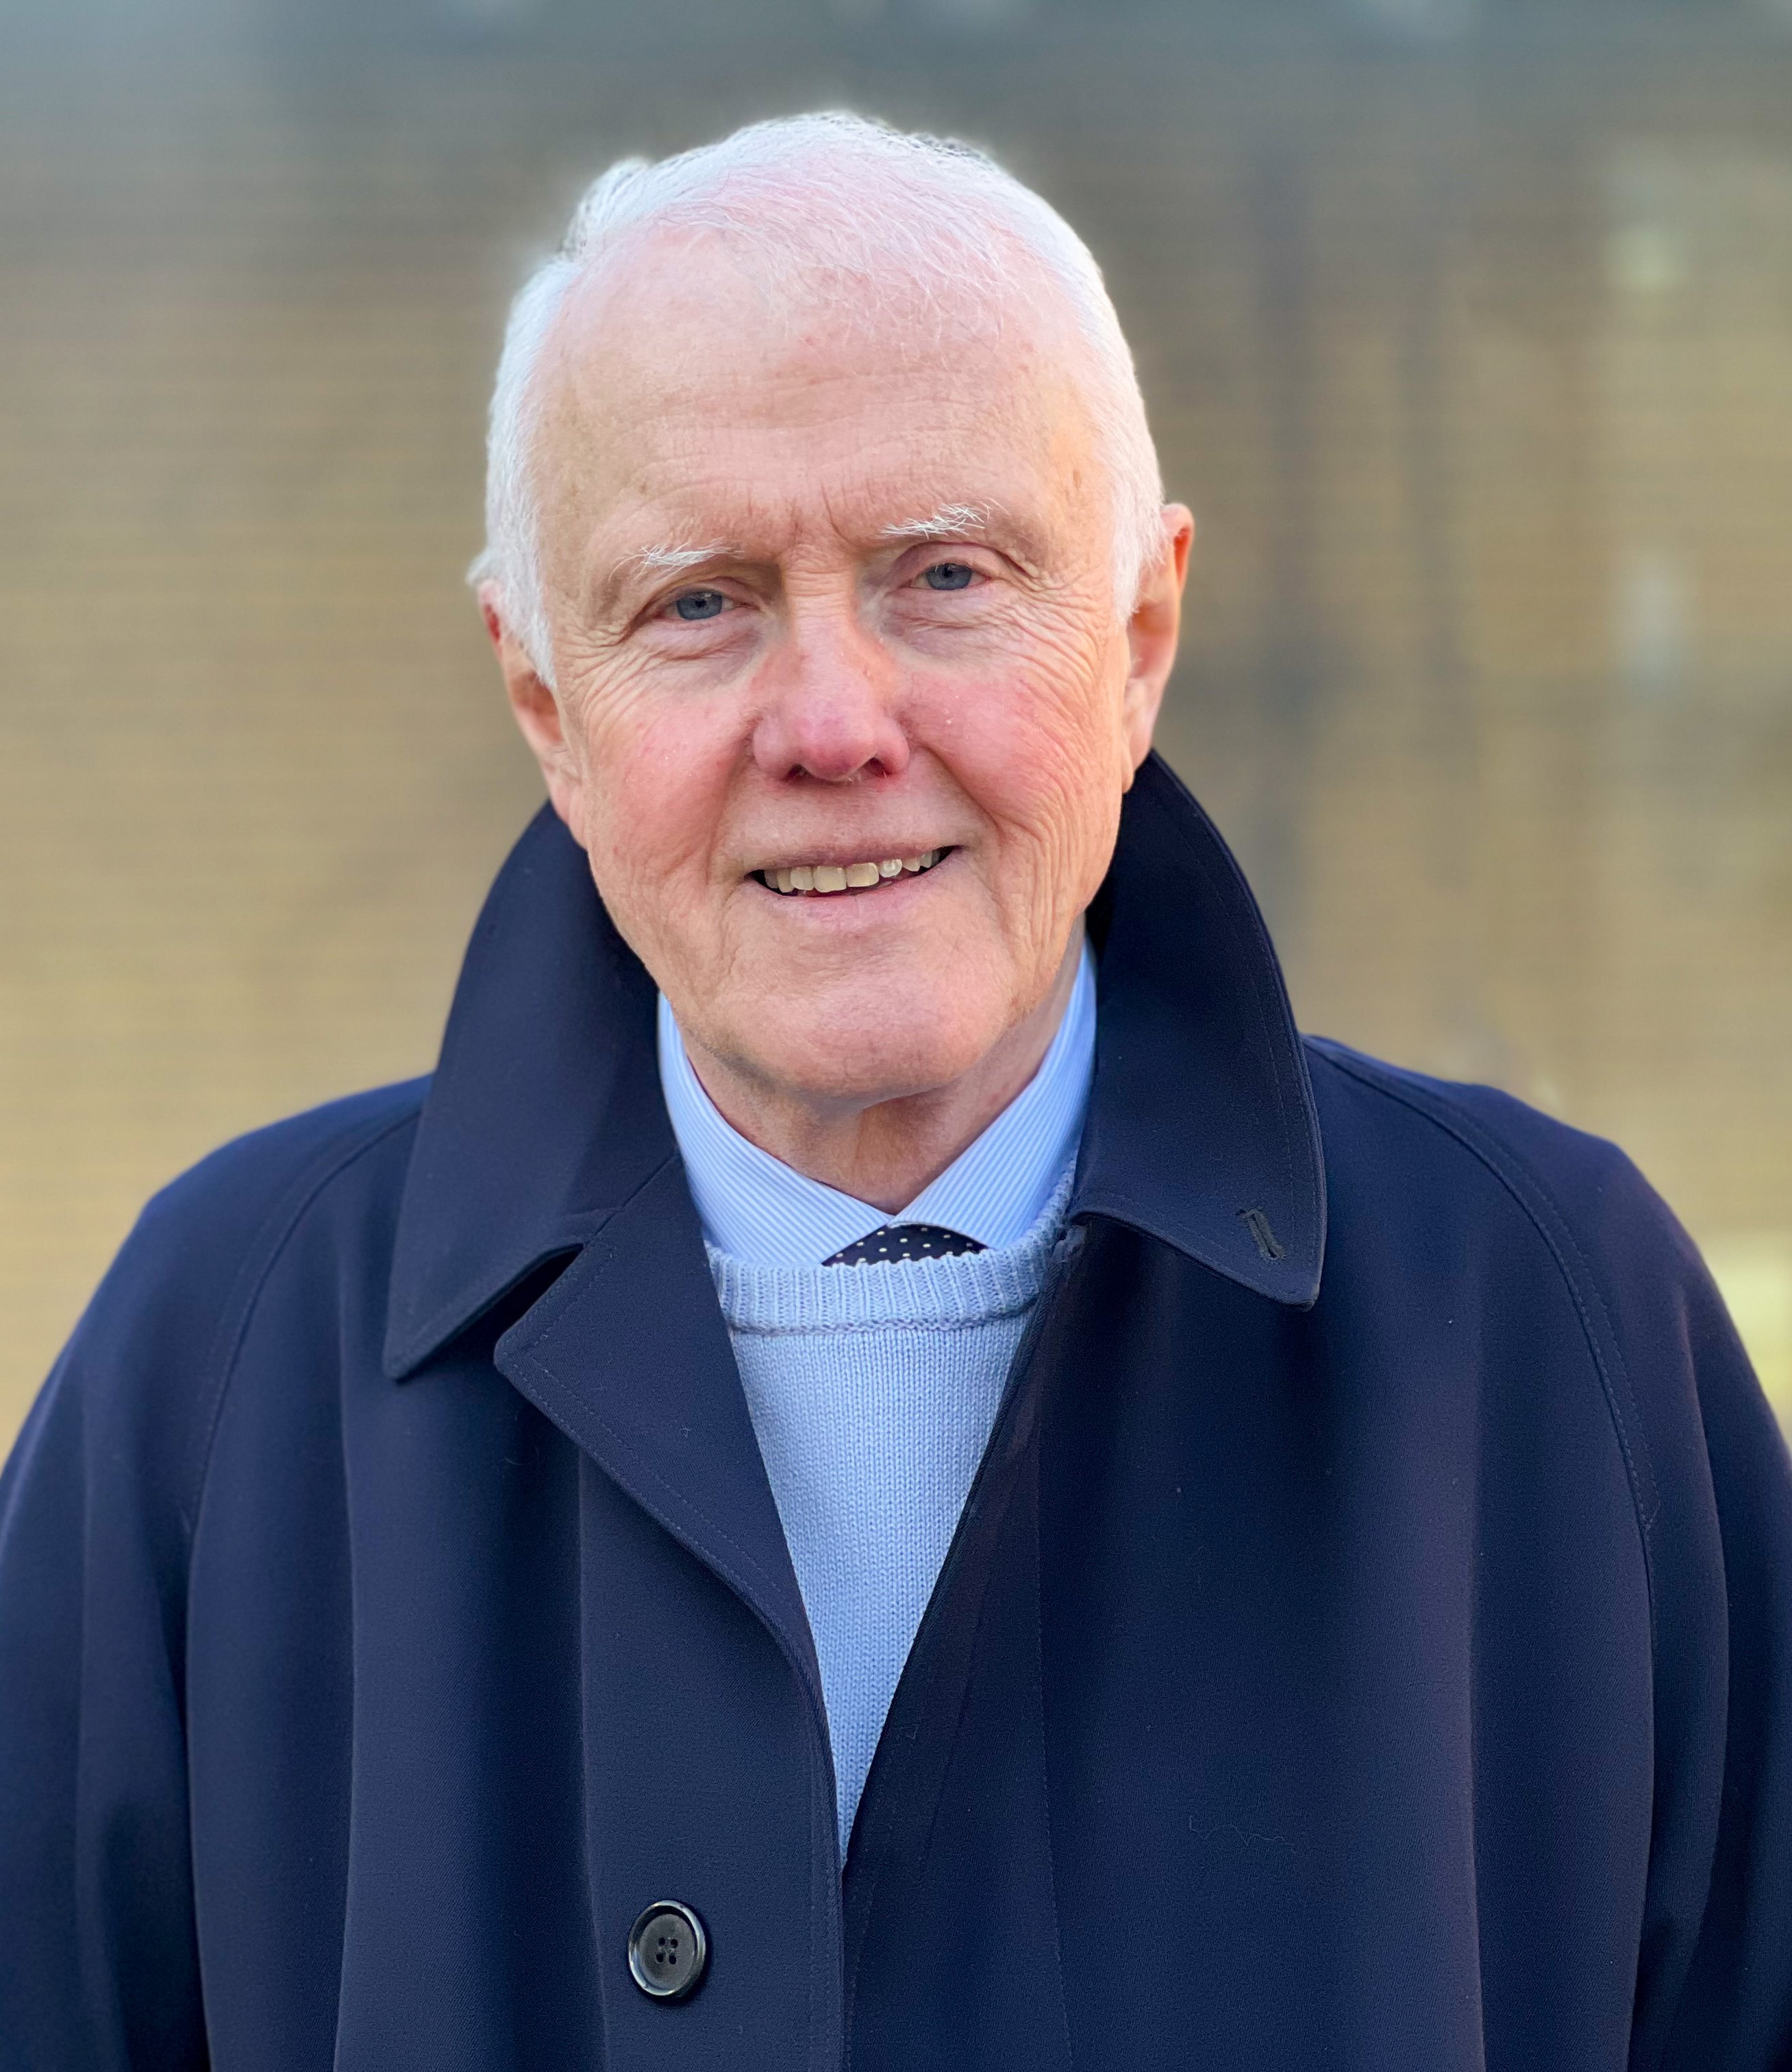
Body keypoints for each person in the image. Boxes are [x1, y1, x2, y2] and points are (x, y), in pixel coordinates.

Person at [1, 112, 1788, 2071]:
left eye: (946, 574)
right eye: (698, 602)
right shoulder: (224, 1359)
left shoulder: (1551, 1324)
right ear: (546, 706)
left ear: (1140, 641)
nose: (836, 726)